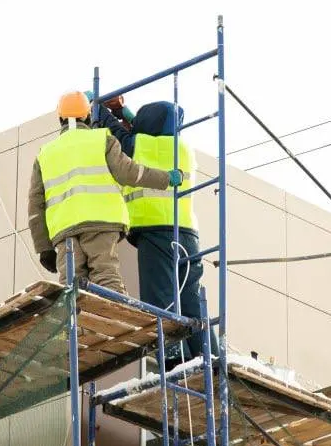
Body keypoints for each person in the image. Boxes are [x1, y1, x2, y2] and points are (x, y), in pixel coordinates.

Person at [92, 96, 216, 364]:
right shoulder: (179, 147)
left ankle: (173, 360)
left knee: (161, 298)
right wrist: (122, 112)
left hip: (157, 234)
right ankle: (211, 357)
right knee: (191, 302)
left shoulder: (145, 146)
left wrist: (98, 111)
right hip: (187, 236)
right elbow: (139, 130)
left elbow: (118, 138)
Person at [27, 91, 184, 293]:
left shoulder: (45, 154)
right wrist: (167, 178)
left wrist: (43, 248)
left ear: (60, 119)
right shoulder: (103, 140)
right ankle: (114, 321)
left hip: (65, 231)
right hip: (100, 223)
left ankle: (81, 325)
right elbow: (130, 173)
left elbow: (35, 206)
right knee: (106, 276)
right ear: (88, 116)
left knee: (71, 285)